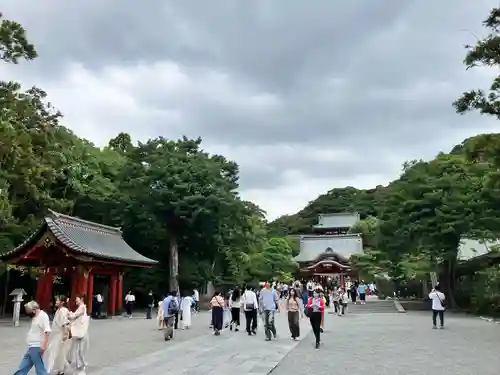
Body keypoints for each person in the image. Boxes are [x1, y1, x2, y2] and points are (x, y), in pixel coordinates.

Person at [13, 300, 51, 375]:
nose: (28, 314)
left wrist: (43, 346)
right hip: (32, 346)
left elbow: (47, 331)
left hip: (37, 346)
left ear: (34, 310)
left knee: (40, 369)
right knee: (24, 366)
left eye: (29, 311)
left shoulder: (43, 316)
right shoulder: (35, 316)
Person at [44, 295, 70, 375]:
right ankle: (62, 369)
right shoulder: (59, 310)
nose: (56, 301)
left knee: (54, 351)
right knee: (59, 352)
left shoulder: (63, 310)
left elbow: (65, 323)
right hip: (56, 333)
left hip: (60, 334)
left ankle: (49, 369)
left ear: (62, 302)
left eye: (58, 300)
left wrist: (65, 334)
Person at [66, 294, 90, 375]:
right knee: (77, 350)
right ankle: (79, 367)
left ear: (82, 299)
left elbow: (73, 316)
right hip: (78, 331)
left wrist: (68, 312)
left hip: (79, 332)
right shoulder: (81, 307)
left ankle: (81, 368)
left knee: (79, 350)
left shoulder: (82, 307)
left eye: (77, 299)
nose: (76, 300)